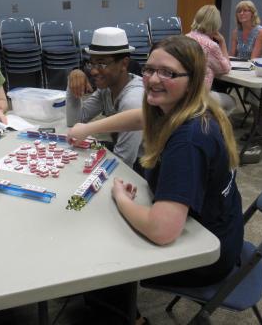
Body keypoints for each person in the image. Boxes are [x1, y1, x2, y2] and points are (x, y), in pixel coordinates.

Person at [68, 35, 244, 324]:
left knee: (101, 253)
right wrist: (88, 128)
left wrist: (122, 199)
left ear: (193, 79)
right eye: (149, 69)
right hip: (220, 227)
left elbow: (162, 231)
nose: (152, 79)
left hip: (207, 254)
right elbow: (140, 117)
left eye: (168, 73)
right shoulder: (187, 108)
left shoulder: (188, 141)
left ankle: (129, 318)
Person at [66, 27, 144, 171]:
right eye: (92, 63)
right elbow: (74, 123)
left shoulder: (133, 99)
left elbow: (125, 162)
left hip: (144, 165)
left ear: (124, 64)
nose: (94, 71)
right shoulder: (107, 89)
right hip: (122, 152)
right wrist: (73, 83)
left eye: (101, 64)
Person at [186, 5, 236, 114]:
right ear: (215, 24)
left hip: (184, 91)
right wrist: (222, 42)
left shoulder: (186, 38)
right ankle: (216, 128)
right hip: (199, 95)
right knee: (231, 102)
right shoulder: (211, 46)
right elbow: (226, 68)